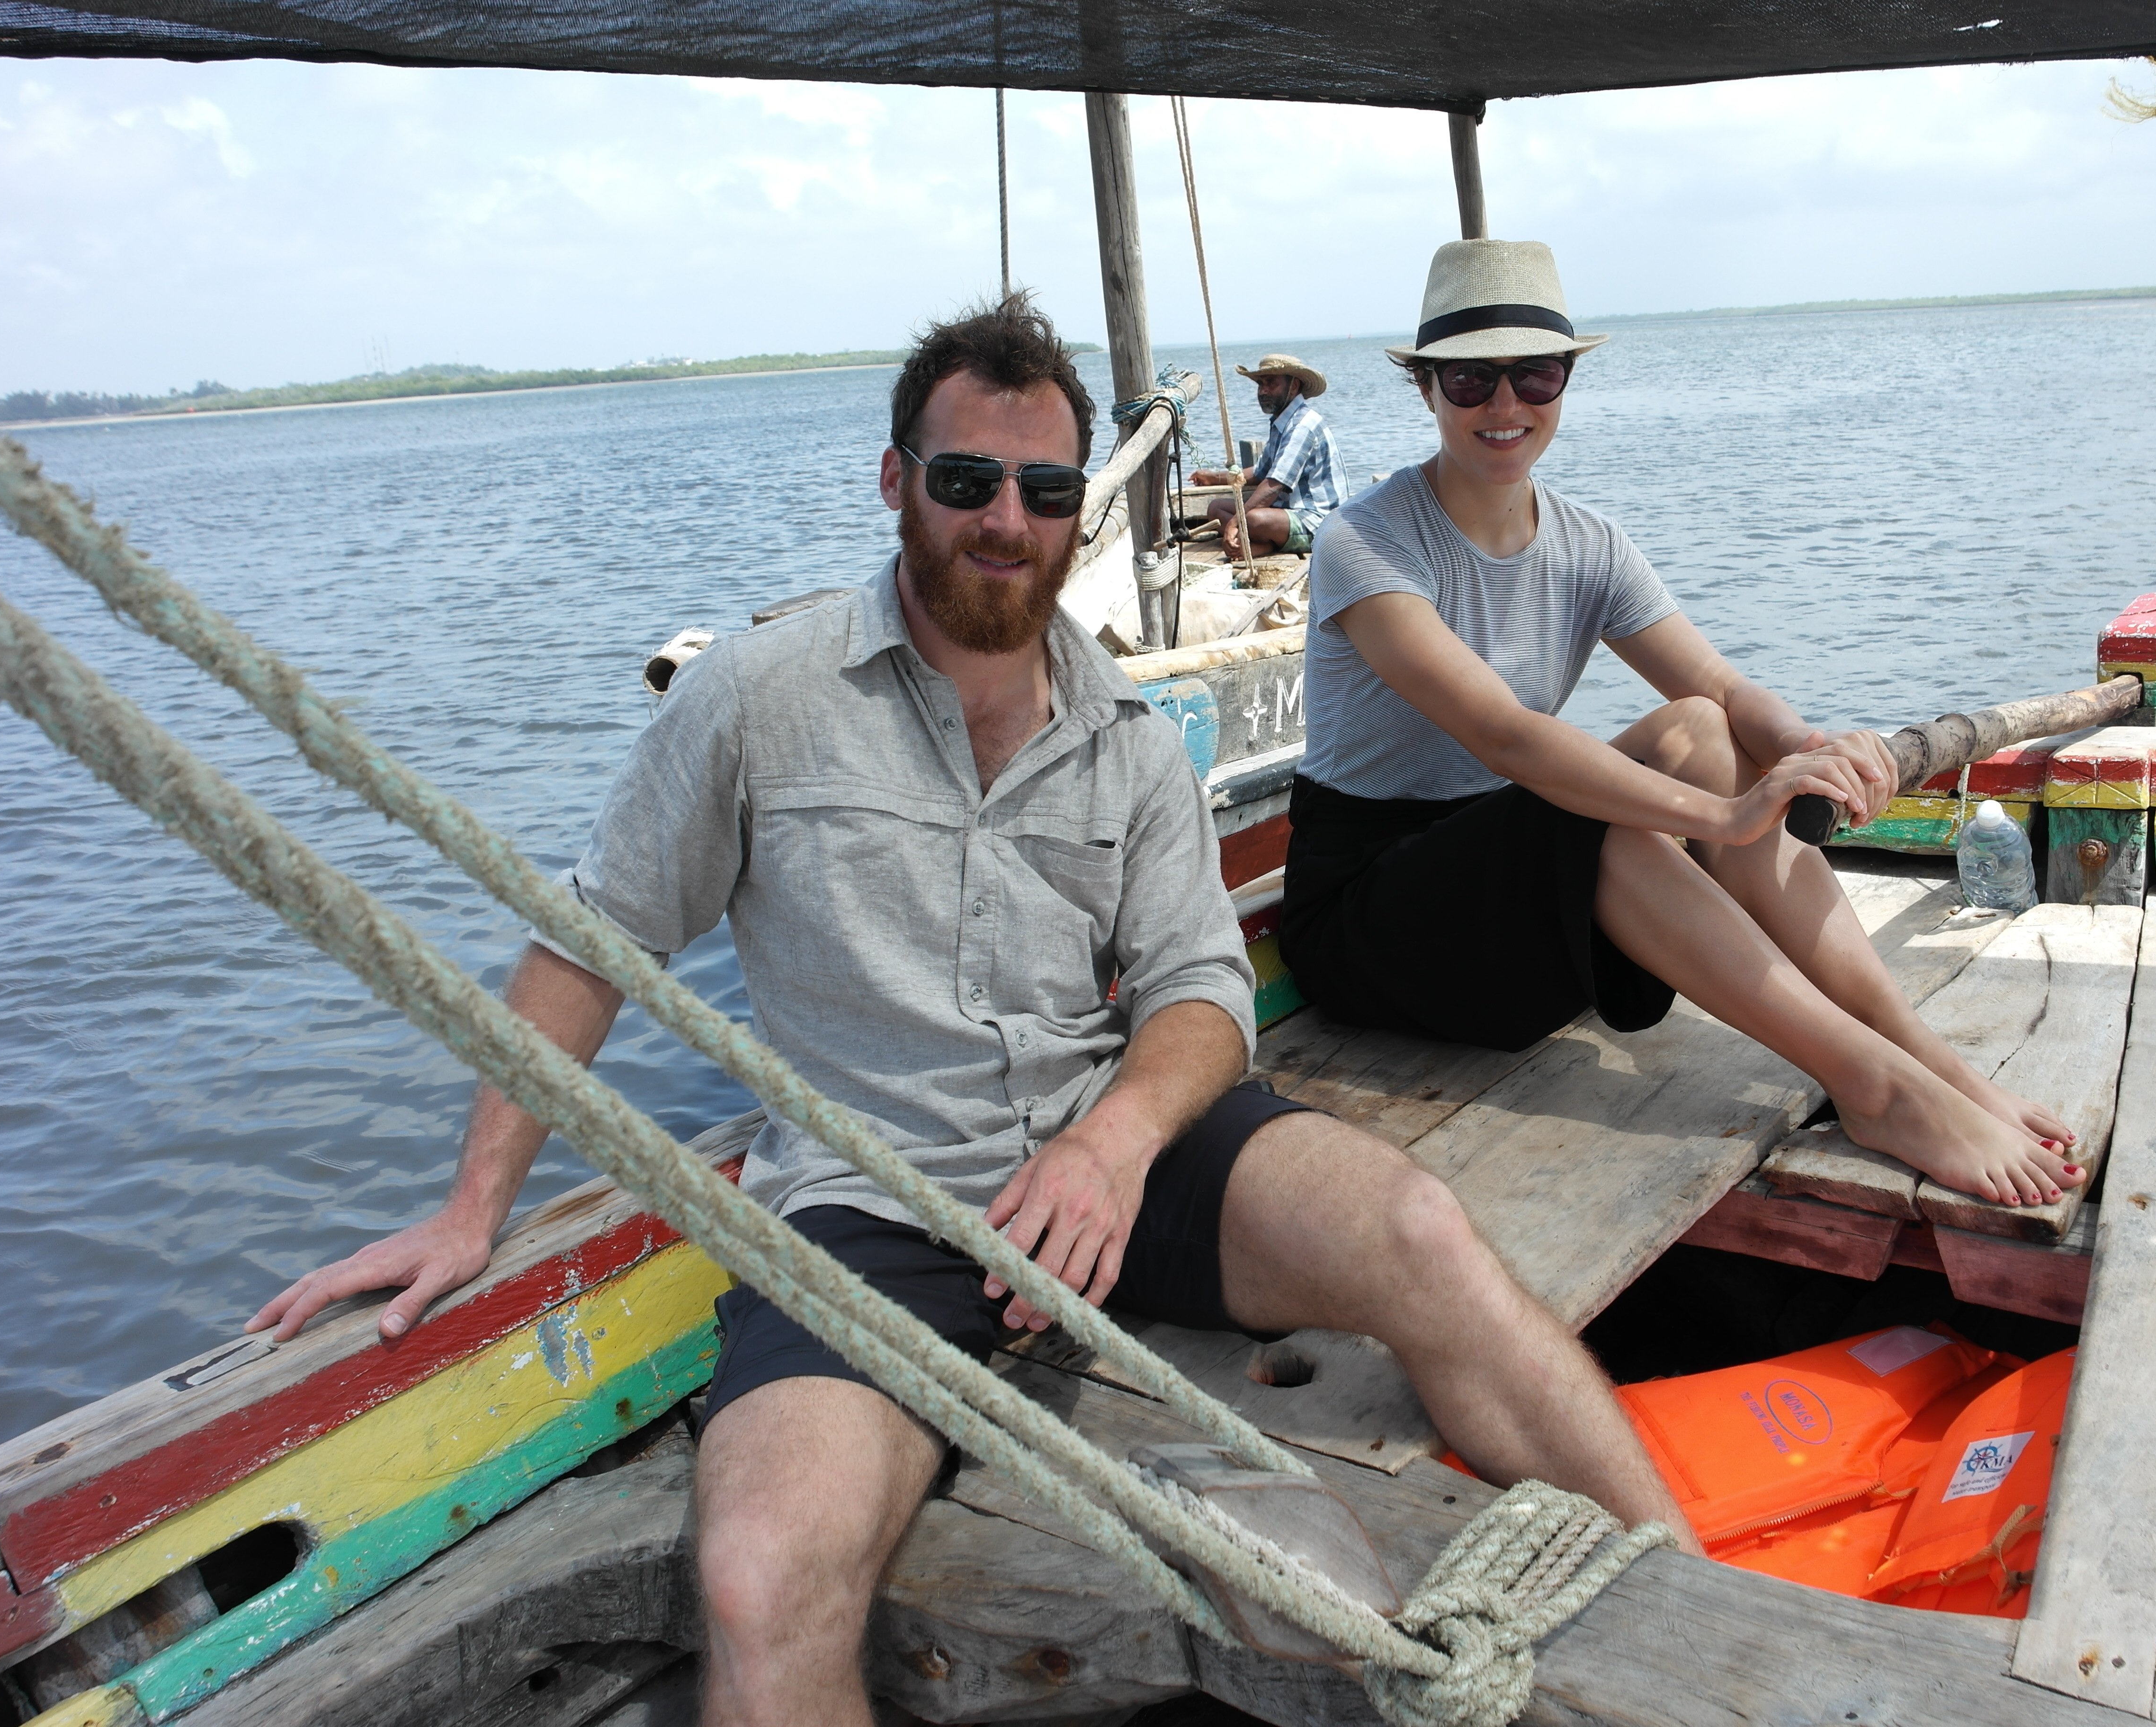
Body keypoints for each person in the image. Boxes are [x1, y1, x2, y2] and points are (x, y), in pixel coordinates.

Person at [246, 294, 1705, 1727]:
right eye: (966, 481)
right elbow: (594, 941)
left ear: (1078, 513)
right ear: (898, 483)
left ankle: (1705, 1625)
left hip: (1106, 1155)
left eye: (1046, 489)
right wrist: (471, 1211)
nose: (1007, 518)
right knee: (760, 1581)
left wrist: (1114, 1142)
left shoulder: (1127, 733)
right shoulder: (756, 700)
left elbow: (1202, 990)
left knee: (1422, 1233)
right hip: (874, 1208)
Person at [1279, 240, 2082, 1209]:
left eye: (1535, 374)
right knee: (1605, 822)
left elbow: (1723, 691)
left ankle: (1925, 1056)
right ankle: (1875, 1088)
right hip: (1373, 913)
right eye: (1470, 379)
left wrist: (1810, 752)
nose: (1505, 404)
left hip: (1503, 867)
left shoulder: (1589, 544)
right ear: (1426, 390)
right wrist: (1727, 817)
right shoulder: (1365, 541)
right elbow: (1506, 737)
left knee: (1700, 728)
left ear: (1565, 379)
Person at [1189, 352, 1342, 559]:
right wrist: (1214, 477)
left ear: (1294, 387)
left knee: (1253, 519)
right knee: (1216, 509)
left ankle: (1263, 545)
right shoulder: (1282, 423)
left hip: (1318, 522)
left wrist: (1235, 523)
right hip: (1285, 512)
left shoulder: (1303, 425)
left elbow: (1275, 484)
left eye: (1271, 383)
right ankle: (1265, 544)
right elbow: (1260, 472)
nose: (1263, 391)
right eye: (1261, 384)